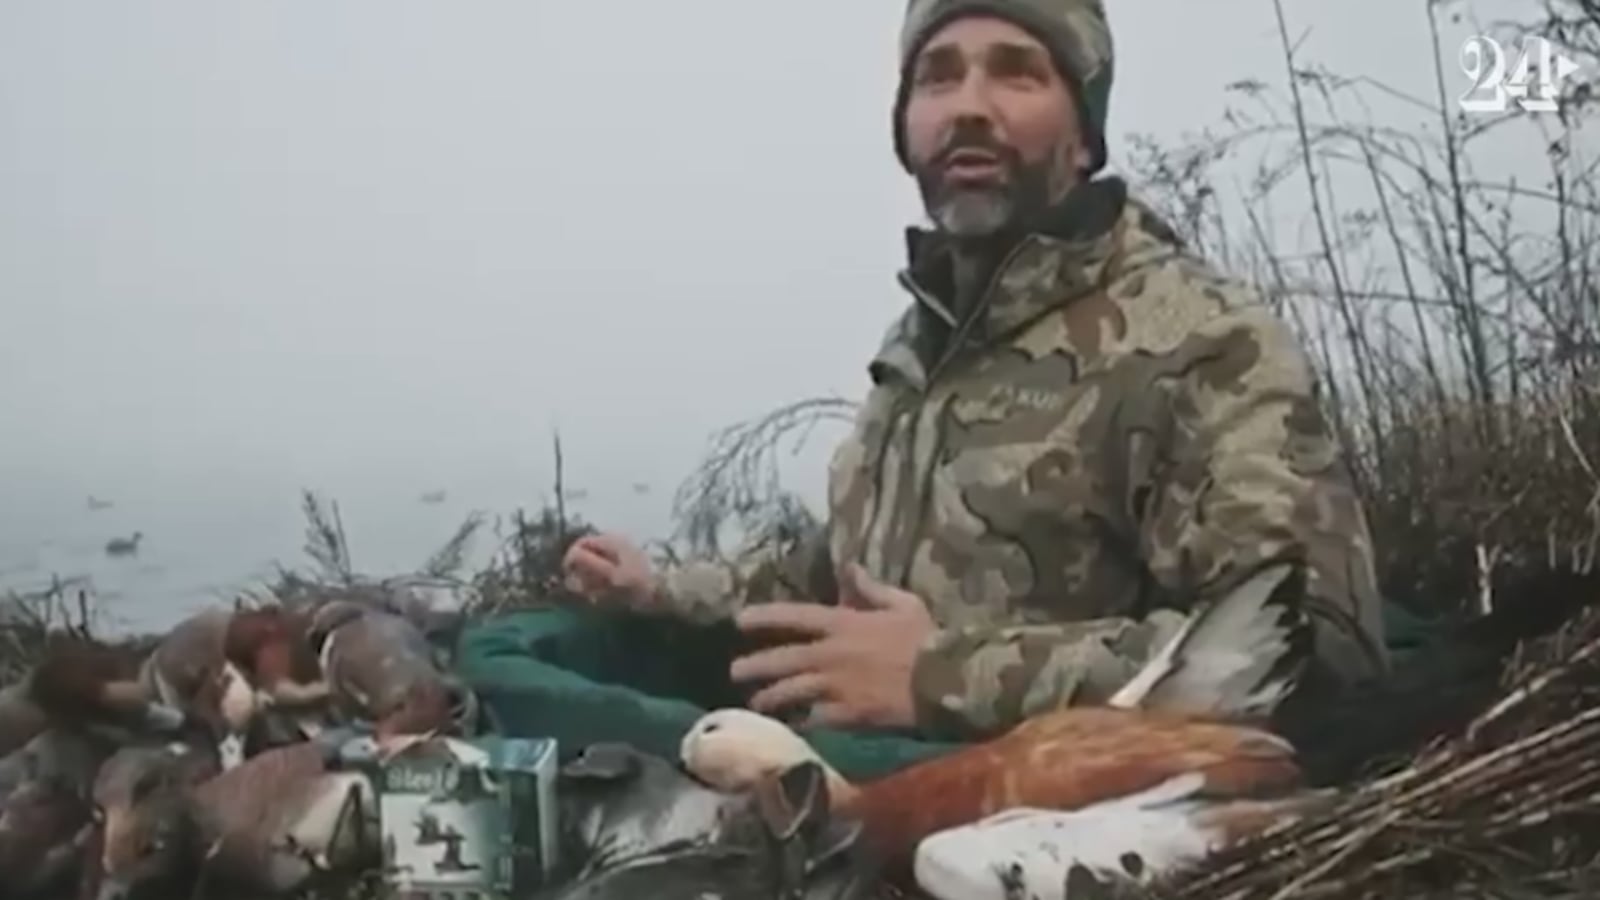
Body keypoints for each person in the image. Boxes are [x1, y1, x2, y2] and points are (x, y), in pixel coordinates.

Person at [562, 0, 1389, 742]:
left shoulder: (1204, 341)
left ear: (1085, 134)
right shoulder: (917, 352)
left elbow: (1316, 653)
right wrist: (663, 590)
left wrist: (942, 677)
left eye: (1017, 72)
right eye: (937, 76)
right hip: (852, 819)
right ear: (904, 129)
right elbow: (830, 570)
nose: (967, 106)